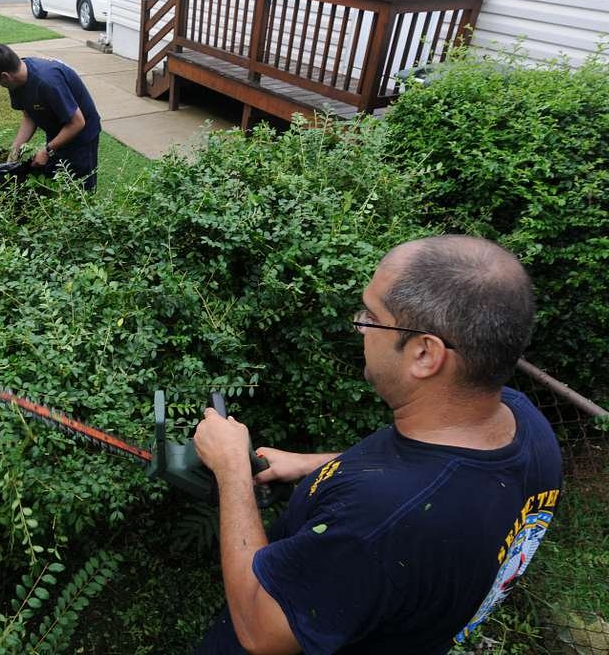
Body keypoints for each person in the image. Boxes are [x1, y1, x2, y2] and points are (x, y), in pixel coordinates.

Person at [192, 235, 562, 654]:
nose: (360, 327)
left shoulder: (378, 523)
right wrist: (311, 464)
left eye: (373, 316)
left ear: (425, 353)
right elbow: (431, 477)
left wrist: (232, 471)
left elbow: (261, 631)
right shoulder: (521, 422)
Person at [0, 44, 101, 191]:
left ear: (5, 76)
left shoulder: (48, 82)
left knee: (79, 190)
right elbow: (29, 116)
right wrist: (14, 152)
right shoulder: (16, 83)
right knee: (53, 183)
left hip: (81, 137)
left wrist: (46, 150)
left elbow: (77, 123)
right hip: (57, 131)